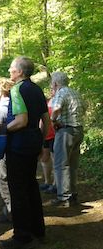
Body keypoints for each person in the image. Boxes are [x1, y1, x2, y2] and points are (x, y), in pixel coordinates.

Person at [0, 56, 50, 249]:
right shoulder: (36, 89)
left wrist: (1, 129)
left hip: (18, 146)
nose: (10, 71)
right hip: (33, 143)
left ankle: (21, 236)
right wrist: (41, 142)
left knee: (18, 190)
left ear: (19, 72)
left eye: (12, 68)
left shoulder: (18, 89)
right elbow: (46, 120)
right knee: (31, 186)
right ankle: (38, 229)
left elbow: (21, 121)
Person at [49, 71, 85, 207]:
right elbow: (84, 108)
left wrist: (53, 120)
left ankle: (64, 196)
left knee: (61, 164)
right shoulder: (75, 92)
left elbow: (56, 108)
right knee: (73, 164)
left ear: (55, 83)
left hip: (66, 131)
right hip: (79, 130)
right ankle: (73, 194)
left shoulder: (61, 93)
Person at [0, 77, 14, 223]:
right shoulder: (13, 104)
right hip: (13, 148)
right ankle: (9, 209)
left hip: (2, 149)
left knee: (2, 179)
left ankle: (11, 210)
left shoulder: (1, 109)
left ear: (2, 90)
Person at [39, 95, 56, 194]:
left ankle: (55, 184)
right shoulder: (41, 106)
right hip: (45, 136)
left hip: (54, 135)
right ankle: (47, 181)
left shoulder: (55, 104)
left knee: (54, 159)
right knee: (44, 158)